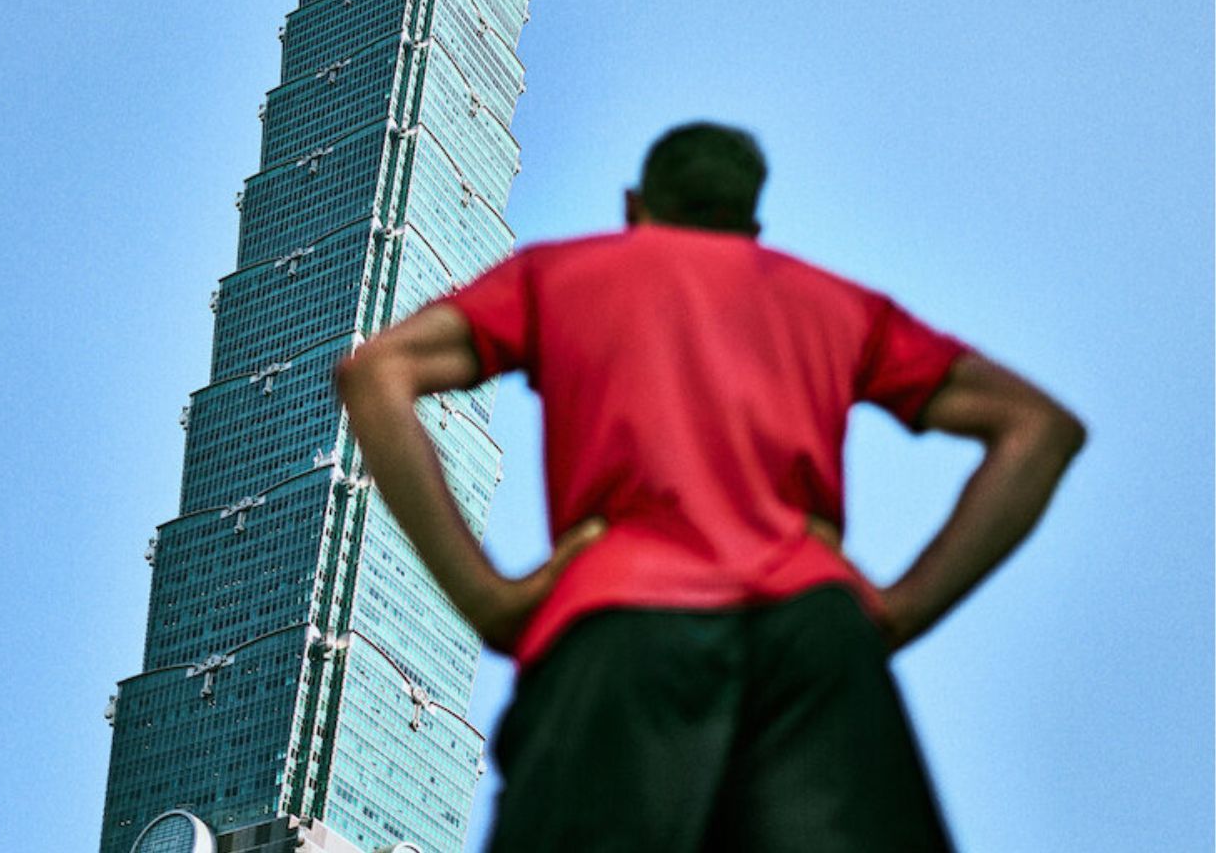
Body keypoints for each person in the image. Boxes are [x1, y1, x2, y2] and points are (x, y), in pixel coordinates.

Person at [333, 121, 1086, 852]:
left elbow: (377, 372)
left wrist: (488, 600)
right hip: (816, 641)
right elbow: (1038, 428)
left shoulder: (557, 274)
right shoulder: (838, 303)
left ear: (635, 208)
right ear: (750, 223)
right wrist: (901, 609)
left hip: (622, 630)